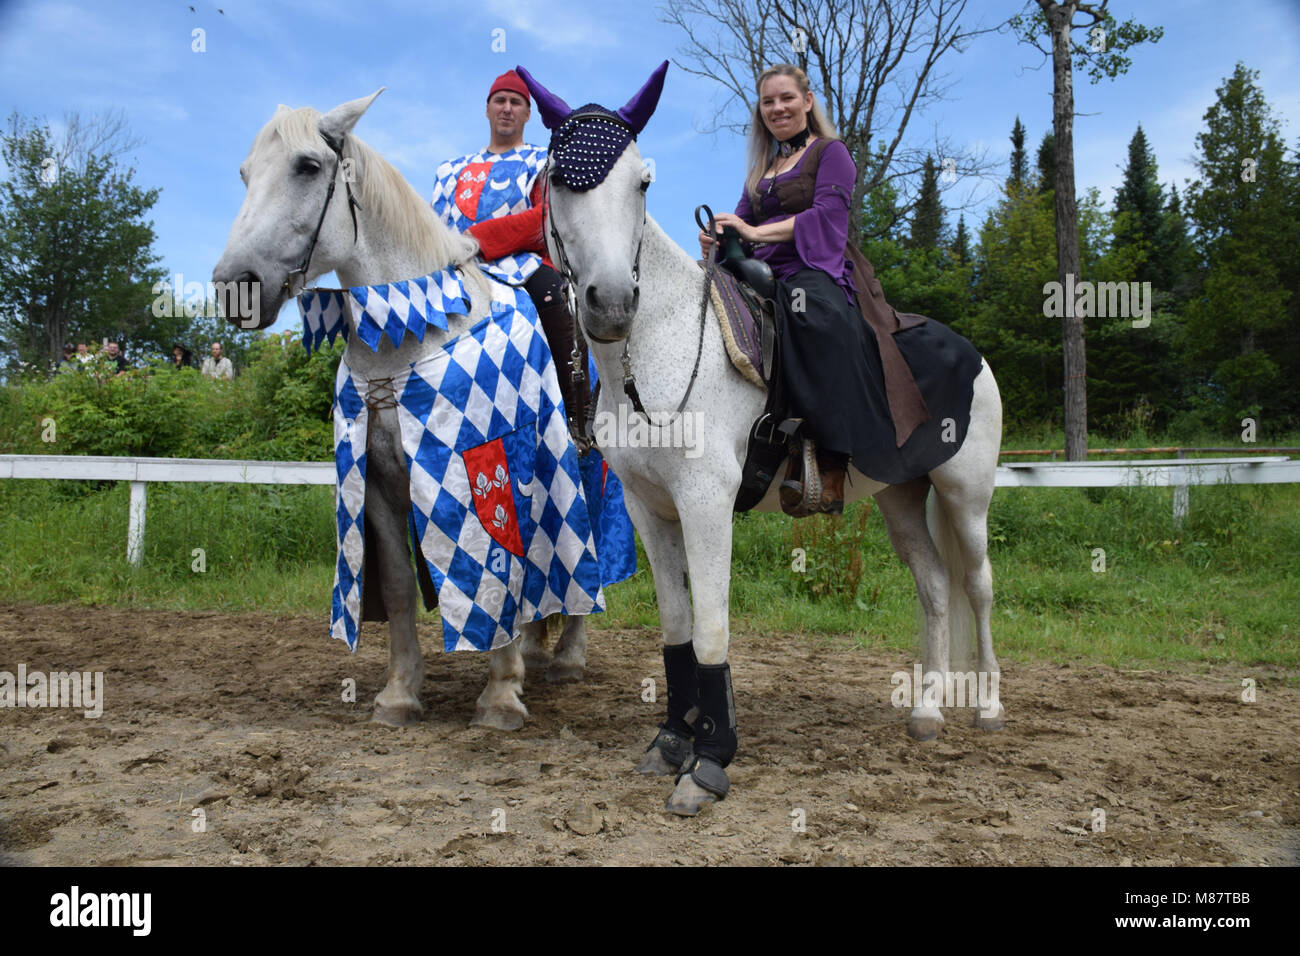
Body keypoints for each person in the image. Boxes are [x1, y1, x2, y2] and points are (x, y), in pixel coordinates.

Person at [700, 64, 981, 515]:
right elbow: (742, 219)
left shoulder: (831, 154)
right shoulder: (764, 168)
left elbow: (827, 219)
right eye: (768, 102)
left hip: (813, 265)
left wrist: (752, 234)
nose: (777, 108)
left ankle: (830, 458)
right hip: (760, 269)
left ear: (807, 102)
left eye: (786, 98)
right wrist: (721, 236)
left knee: (819, 318)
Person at [431, 70, 589, 438]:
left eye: (515, 102)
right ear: (486, 109)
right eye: (499, 100)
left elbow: (547, 216)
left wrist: (478, 239)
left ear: (528, 114)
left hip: (522, 264)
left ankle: (580, 417)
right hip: (453, 266)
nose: (506, 108)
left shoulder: (543, 161)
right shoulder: (452, 170)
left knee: (551, 291)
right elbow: (432, 222)